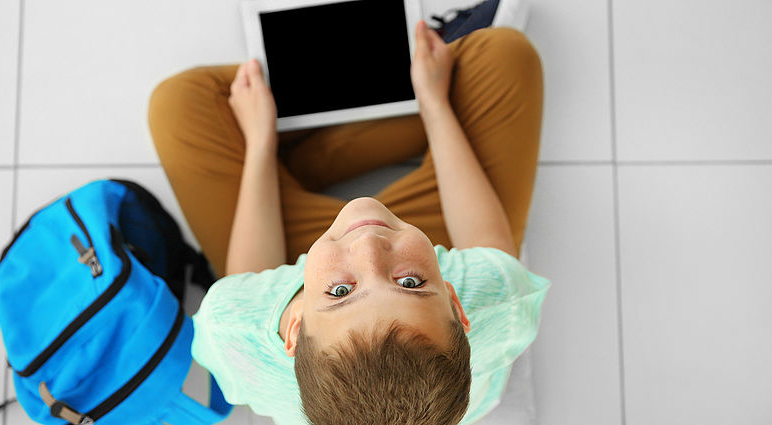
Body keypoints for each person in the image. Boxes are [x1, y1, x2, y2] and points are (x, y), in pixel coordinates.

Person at [148, 19, 551, 425]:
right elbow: (486, 243)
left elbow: (251, 280)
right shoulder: (499, 303)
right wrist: (435, 105)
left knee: (178, 103)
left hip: (302, 254)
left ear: (294, 326)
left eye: (341, 292)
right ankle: (387, 112)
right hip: (407, 236)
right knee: (504, 56)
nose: (368, 247)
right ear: (457, 306)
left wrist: (260, 144)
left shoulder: (233, 329)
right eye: (410, 283)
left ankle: (299, 148)